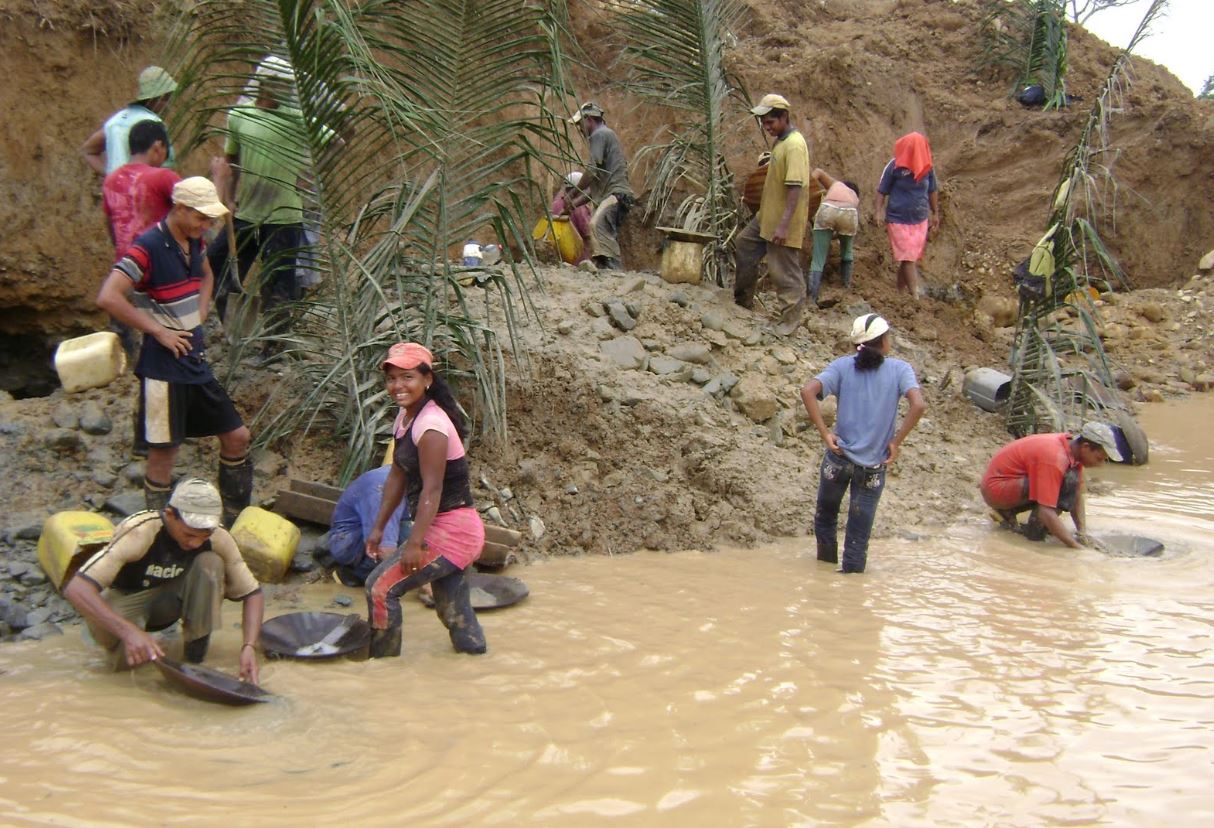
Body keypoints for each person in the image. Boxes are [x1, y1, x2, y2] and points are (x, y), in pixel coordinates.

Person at [96, 177, 254, 526]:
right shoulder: (147, 246)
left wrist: (201, 311)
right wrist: (159, 331)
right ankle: (157, 530)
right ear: (179, 208)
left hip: (194, 360)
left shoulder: (194, 241)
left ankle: (234, 520)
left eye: (210, 219)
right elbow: (108, 296)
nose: (206, 225)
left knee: (237, 436)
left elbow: (207, 275)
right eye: (201, 217)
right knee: (163, 453)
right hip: (162, 368)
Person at [63, 478, 264, 684]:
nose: (196, 543)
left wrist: (249, 646)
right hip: (125, 604)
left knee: (210, 564)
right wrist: (129, 633)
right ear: (169, 515)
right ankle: (125, 664)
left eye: (204, 536)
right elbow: (76, 588)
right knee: (128, 676)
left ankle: (194, 660)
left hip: (166, 604)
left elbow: (253, 593)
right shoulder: (140, 531)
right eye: (189, 534)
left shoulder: (218, 538)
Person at [364, 342, 487, 658]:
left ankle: (383, 669)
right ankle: (475, 662)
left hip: (453, 531)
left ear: (427, 380)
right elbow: (397, 476)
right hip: (443, 526)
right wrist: (378, 528)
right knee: (452, 609)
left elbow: (432, 490)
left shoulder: (431, 425)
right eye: (392, 379)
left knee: (380, 588)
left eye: (407, 377)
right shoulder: (405, 418)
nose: (398, 386)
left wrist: (414, 544)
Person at [801, 314, 927, 573]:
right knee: (859, 534)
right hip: (873, 467)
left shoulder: (842, 366)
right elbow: (918, 405)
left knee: (826, 518)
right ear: (884, 342)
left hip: (838, 459)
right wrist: (896, 442)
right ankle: (851, 580)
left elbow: (807, 391)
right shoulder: (900, 370)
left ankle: (824, 573)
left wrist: (825, 433)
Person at [207, 57, 315, 356]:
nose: (285, 90)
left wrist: (307, 176)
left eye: (288, 85)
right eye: (280, 84)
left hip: (284, 216)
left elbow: (335, 141)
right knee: (216, 264)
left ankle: (274, 347)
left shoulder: (296, 118)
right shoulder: (240, 115)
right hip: (247, 212)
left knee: (278, 282)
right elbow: (232, 158)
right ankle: (236, 327)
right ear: (264, 83)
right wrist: (229, 196)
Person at [734, 93, 812, 337]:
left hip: (782, 221)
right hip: (767, 218)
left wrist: (784, 225)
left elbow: (795, 188)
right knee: (744, 245)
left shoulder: (795, 145)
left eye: (770, 122)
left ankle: (789, 323)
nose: (766, 127)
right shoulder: (780, 142)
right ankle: (742, 302)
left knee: (784, 271)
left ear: (784, 117)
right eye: (763, 123)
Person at [979, 422, 1122, 548]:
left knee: (1069, 484)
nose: (1100, 465)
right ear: (1085, 447)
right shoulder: (1056, 458)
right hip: (996, 489)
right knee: (1062, 486)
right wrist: (1075, 547)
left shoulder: (1073, 451)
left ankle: (1007, 513)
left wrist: (1082, 533)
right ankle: (1034, 533)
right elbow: (1046, 510)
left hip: (1010, 484)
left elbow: (1077, 495)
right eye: (1098, 459)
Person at [564, 102, 634, 271]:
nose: (580, 129)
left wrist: (572, 194)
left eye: (580, 123)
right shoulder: (606, 136)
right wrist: (575, 203)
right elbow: (596, 185)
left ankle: (614, 271)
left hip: (615, 195)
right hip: (617, 195)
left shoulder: (599, 135)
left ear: (588, 119)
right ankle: (606, 270)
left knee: (597, 226)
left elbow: (592, 170)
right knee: (602, 232)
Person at [103, 120, 181, 261]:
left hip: (125, 265)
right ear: (158, 146)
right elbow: (198, 213)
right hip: (159, 264)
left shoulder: (110, 180)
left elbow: (112, 230)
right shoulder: (164, 177)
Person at [875, 132, 939, 299]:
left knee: (908, 258)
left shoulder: (927, 168)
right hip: (897, 218)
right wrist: (879, 211)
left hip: (919, 219)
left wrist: (935, 213)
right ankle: (915, 296)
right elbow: (882, 190)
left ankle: (900, 295)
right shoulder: (894, 166)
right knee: (908, 257)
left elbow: (932, 190)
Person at [81, 66, 178, 176]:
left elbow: (88, 150)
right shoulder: (153, 124)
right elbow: (166, 165)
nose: (168, 103)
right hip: (141, 184)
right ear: (157, 98)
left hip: (115, 185)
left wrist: (110, 175)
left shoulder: (116, 120)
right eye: (166, 98)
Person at [326, 465, 412, 586]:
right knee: (396, 565)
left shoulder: (411, 478)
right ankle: (354, 573)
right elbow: (385, 549)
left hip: (378, 532)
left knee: (415, 537)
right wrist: (420, 581)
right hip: (350, 542)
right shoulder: (383, 489)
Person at [807, 167, 860, 305]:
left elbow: (818, 171)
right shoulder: (854, 197)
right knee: (847, 252)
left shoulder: (835, 184)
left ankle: (811, 299)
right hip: (849, 212)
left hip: (827, 210)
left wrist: (807, 188)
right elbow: (842, 229)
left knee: (818, 259)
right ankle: (845, 290)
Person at [550, 171, 592, 264]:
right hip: (579, 261)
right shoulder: (579, 208)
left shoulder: (555, 204)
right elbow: (588, 234)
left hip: (562, 258)